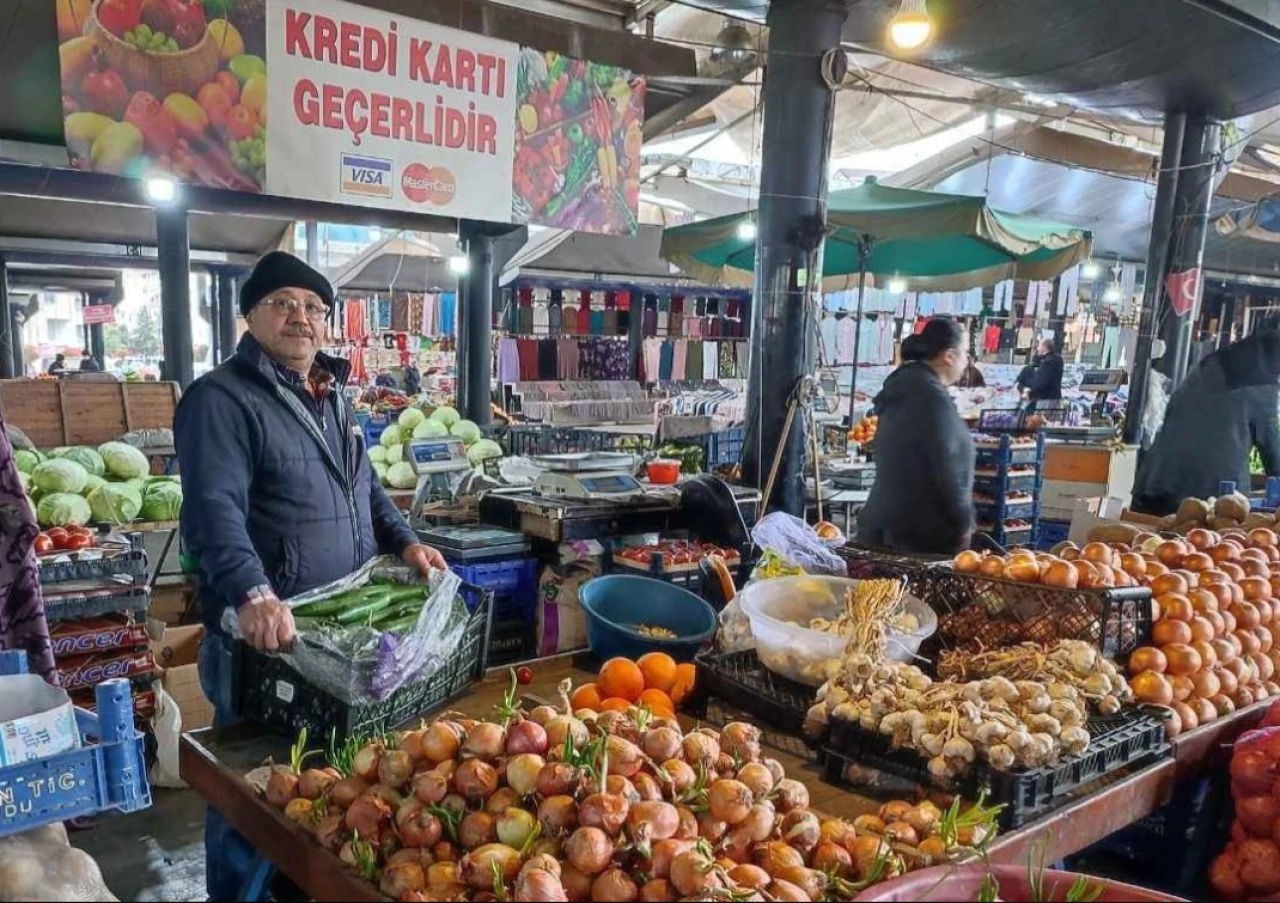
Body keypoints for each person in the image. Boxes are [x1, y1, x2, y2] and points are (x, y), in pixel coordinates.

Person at [174, 251, 447, 901]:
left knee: (317, 789)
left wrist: (406, 542)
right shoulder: (221, 399)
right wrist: (253, 591)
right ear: (250, 316)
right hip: (265, 641)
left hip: (329, 638)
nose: (300, 317)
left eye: (313, 307)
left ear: (327, 324)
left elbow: (364, 484)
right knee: (249, 793)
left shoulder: (330, 393)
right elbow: (214, 509)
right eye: (282, 303)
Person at [857, 318, 975, 555]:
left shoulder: (904, 389)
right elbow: (948, 467)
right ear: (949, 355)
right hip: (918, 540)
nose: (967, 361)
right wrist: (964, 523)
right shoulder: (931, 399)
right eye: (966, 352)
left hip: (884, 528)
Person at [1132, 330, 1280, 516]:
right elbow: (1271, 447)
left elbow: (1172, 412)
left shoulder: (1206, 366)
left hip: (1159, 479)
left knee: (1152, 539)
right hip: (1212, 493)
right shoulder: (1261, 385)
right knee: (1204, 541)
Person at [1022, 338, 1063, 409]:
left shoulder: (1047, 362)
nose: (1037, 348)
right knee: (1052, 419)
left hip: (1046, 397)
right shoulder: (1058, 359)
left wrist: (1030, 392)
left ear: (1044, 347)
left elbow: (1043, 382)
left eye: (1039, 346)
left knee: (1041, 418)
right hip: (1056, 396)